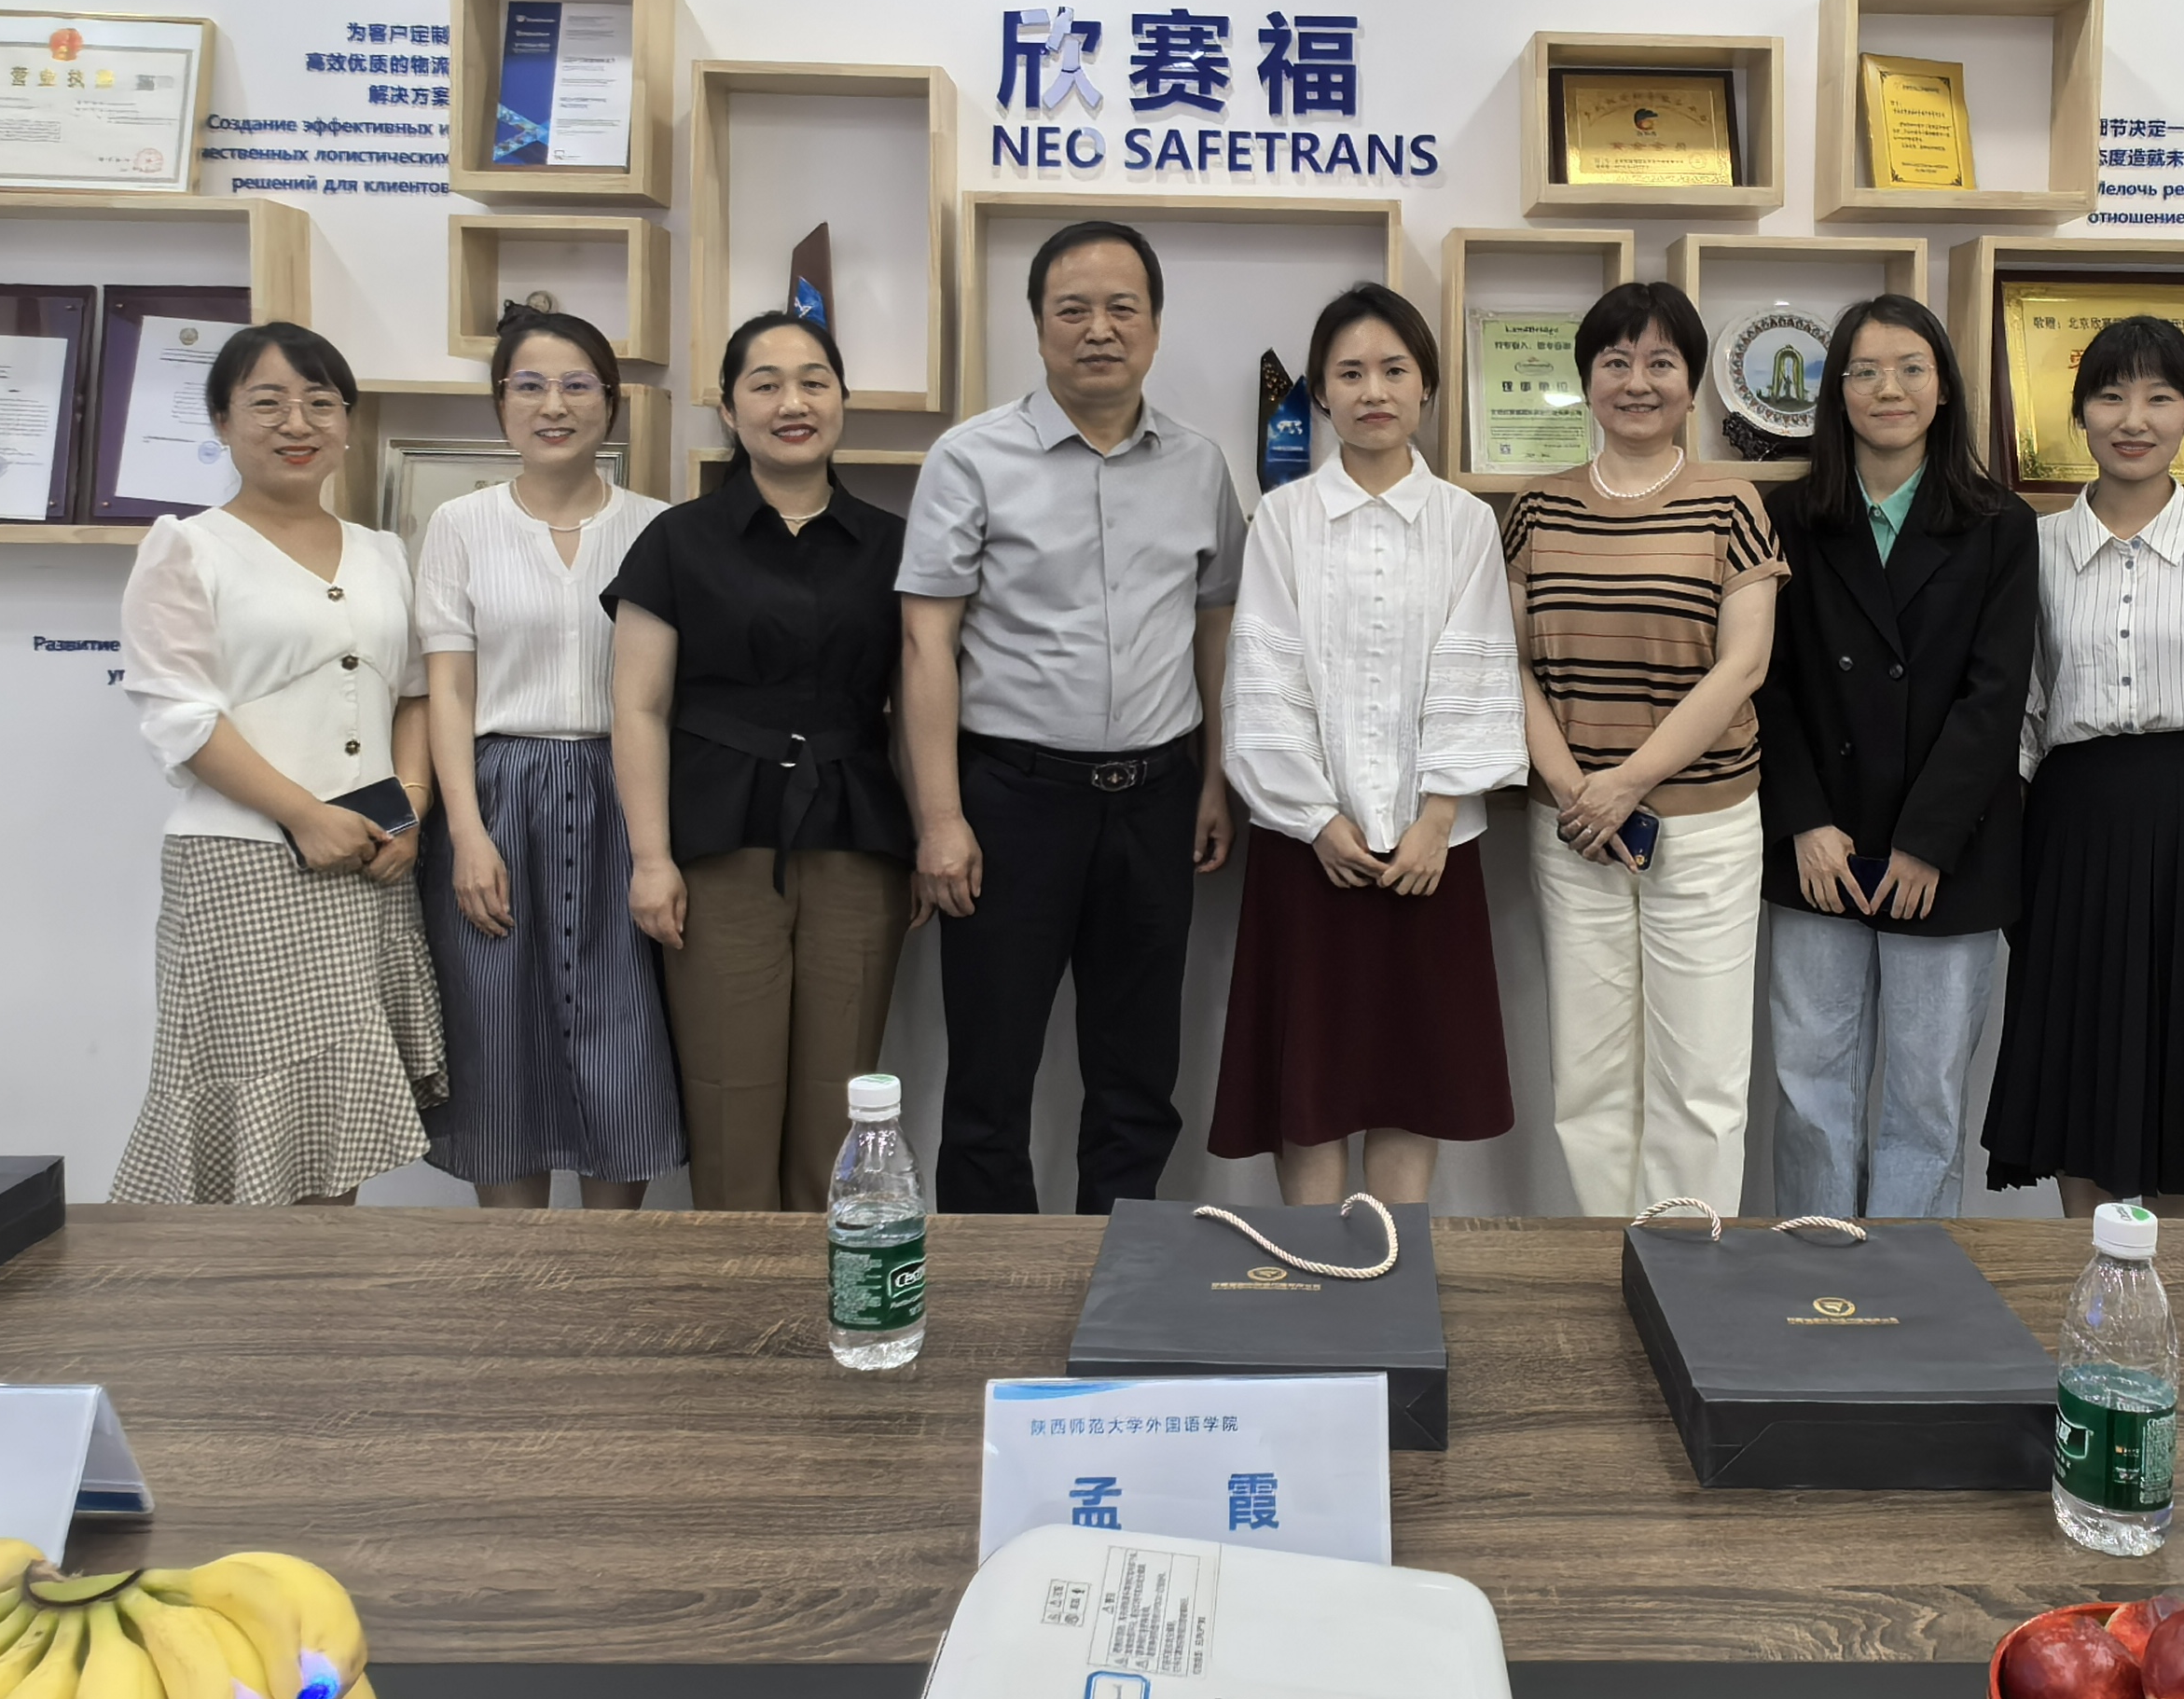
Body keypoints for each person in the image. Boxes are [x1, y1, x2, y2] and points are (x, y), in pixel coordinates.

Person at [899, 219, 1245, 1212]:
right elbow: (924, 643)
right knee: (990, 1075)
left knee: (1138, 1076)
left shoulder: (1199, 465)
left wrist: (1213, 780)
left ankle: (1120, 1272)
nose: (1099, 329)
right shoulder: (970, 459)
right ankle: (990, 1284)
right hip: (1010, 802)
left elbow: (1214, 630)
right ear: (1039, 325)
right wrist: (940, 818)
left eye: (1122, 308)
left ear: (1155, 326)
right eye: (1073, 309)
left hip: (1156, 798)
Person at [1984, 315, 2184, 1220]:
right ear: (2079, 415)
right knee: (2078, 1056)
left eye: (2159, 398)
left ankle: (2177, 1290)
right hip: (2071, 830)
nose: (2133, 419)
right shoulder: (2033, 547)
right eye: (2110, 396)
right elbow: (2021, 716)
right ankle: (2087, 1280)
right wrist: (2003, 855)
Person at [1211, 284, 1527, 1205]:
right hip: (1308, 848)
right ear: (1319, 393)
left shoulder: (1466, 521)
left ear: (1426, 385)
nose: (1373, 391)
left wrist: (1437, 818)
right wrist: (1315, 819)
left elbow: (1478, 667)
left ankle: (1395, 1269)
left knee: (1411, 1079)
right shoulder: (1283, 518)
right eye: (1349, 373)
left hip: (1433, 851)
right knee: (1308, 1085)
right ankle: (1314, 1273)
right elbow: (1262, 674)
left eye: (1393, 369)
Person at [114, 323, 441, 1207]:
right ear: (222, 422)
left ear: (347, 424)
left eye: (320, 403)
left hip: (370, 864)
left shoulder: (383, 551)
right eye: (267, 403)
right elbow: (178, 714)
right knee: (250, 1117)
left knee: (334, 1119)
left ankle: (320, 1291)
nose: (297, 423)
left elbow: (414, 694)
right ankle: (238, 1292)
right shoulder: (187, 546)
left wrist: (410, 810)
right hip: (243, 863)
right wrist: (304, 813)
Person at [605, 309, 916, 1212]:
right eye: (766, 383)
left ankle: (834, 1283)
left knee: (842, 1104)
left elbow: (917, 705)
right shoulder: (677, 540)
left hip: (857, 842)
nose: (793, 403)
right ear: (728, 407)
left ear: (842, 400)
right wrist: (650, 858)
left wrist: (934, 831)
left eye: (814, 381)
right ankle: (736, 1297)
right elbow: (637, 705)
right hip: (717, 845)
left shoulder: (894, 545)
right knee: (729, 1100)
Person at [1501, 281, 1786, 1217]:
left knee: (1699, 1081)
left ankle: (1685, 1270)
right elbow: (1508, 665)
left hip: (1703, 829)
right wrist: (1574, 790)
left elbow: (1742, 666)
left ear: (1690, 383)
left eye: (1660, 362)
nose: (1636, 381)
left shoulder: (1730, 501)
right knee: (1588, 1077)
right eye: (1615, 361)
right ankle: (1604, 1263)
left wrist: (1624, 782)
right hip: (1572, 828)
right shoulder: (1535, 509)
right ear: (1586, 380)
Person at [1752, 295, 2038, 1220]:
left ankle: (1910, 1283)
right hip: (1820, 844)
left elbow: (1994, 697)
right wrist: (1803, 820)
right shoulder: (1787, 517)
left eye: (1911, 368)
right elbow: (1766, 685)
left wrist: (1925, 842)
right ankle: (1813, 1264)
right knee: (1810, 1088)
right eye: (1866, 371)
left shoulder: (1998, 522)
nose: (1889, 389)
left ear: (1944, 388)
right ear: (1836, 392)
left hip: (1948, 850)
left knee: (1925, 1098)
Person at [410, 306, 676, 1210]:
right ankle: (512, 1271)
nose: (552, 405)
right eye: (529, 385)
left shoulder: (659, 528)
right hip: (498, 793)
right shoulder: (460, 524)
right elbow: (448, 689)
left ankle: (611, 1269)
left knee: (624, 1031)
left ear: (610, 402)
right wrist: (466, 833)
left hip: (624, 791)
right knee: (497, 1031)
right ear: (501, 403)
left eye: (575, 385)